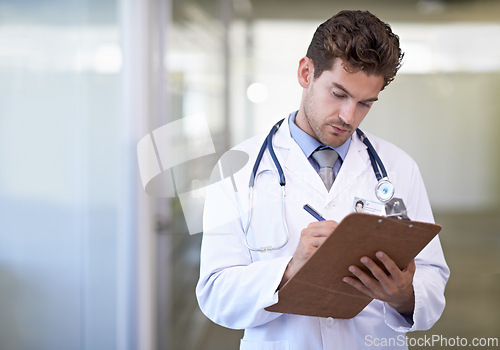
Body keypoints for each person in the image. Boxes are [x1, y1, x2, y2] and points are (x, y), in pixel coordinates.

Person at [196, 10, 449, 350]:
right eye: (339, 94)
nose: (348, 117)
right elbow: (215, 294)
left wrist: (405, 295)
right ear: (306, 72)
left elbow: (432, 277)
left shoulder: (399, 168)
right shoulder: (236, 170)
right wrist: (288, 270)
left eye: (364, 104)